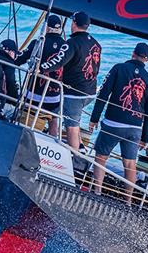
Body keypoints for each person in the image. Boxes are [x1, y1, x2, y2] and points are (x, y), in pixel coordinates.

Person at [89, 42, 148, 204]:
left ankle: (97, 191)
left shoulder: (118, 68)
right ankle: (128, 201)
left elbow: (103, 94)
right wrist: (145, 138)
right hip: (134, 128)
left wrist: (94, 118)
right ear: (147, 59)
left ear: (133, 53)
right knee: (129, 164)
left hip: (113, 123)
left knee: (101, 157)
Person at [39, 11, 102, 150]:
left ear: (74, 23)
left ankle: (73, 159)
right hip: (90, 92)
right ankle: (79, 146)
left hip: (74, 93)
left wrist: (41, 68)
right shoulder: (96, 44)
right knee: (60, 112)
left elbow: (58, 61)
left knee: (71, 127)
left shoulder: (72, 43)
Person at [14, 15, 66, 132]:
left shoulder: (38, 43)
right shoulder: (66, 46)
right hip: (54, 96)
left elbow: (19, 60)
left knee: (25, 115)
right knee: (53, 120)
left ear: (46, 27)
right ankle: (53, 142)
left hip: (34, 94)